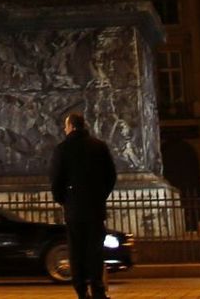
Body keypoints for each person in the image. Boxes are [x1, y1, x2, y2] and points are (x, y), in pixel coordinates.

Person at [50, 112, 118, 299]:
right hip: (95, 208)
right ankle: (98, 290)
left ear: (71, 126)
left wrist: (64, 200)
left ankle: (81, 290)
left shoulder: (62, 149)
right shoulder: (99, 147)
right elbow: (111, 176)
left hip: (74, 209)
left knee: (76, 250)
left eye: (65, 126)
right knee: (95, 250)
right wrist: (100, 196)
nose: (65, 130)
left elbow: (56, 180)